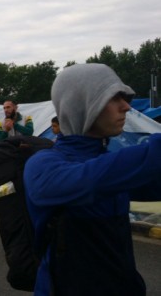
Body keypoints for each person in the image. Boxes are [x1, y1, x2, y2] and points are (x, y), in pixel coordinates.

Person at [24, 63, 161, 295]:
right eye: (114, 97)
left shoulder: (112, 165)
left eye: (125, 98)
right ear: (81, 104)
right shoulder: (43, 165)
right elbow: (92, 179)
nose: (126, 106)